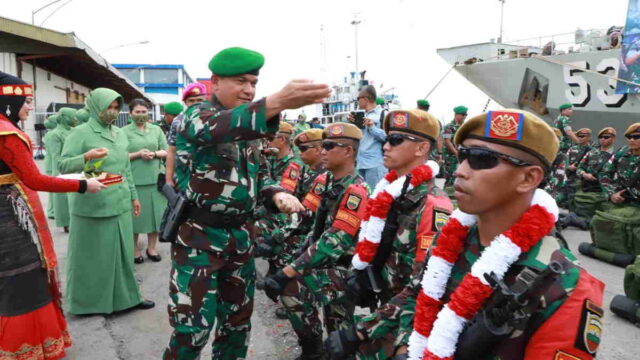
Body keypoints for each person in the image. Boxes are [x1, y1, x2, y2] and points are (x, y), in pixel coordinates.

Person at [164, 46, 330, 360]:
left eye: (254, 82)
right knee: (192, 330)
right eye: (241, 81)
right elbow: (221, 126)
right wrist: (278, 100)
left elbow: (257, 176)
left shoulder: (248, 131)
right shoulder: (195, 116)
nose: (249, 89)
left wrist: (275, 194)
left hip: (239, 239)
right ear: (214, 82)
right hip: (198, 239)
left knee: (237, 325)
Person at [408, 109, 604, 360]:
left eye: (481, 159)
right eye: (463, 156)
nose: (461, 170)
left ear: (528, 178)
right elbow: (415, 298)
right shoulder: (453, 238)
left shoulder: (566, 288)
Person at [324, 109, 453, 360]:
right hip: (386, 307)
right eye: (387, 139)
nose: (386, 146)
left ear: (421, 148)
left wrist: (363, 332)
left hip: (406, 324)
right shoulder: (393, 194)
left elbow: (426, 289)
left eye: (395, 141)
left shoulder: (432, 206)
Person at [0, 71, 105, 360]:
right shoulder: (7, 132)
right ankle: (22, 349)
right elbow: (34, 179)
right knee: (22, 279)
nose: (29, 107)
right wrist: (83, 184)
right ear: (8, 100)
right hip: (9, 218)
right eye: (25, 101)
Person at [263, 122, 369, 360]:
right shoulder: (331, 182)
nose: (323, 151)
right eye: (323, 145)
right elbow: (315, 227)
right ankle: (319, 350)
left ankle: (314, 352)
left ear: (348, 151)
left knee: (293, 288)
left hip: (346, 268)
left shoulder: (355, 190)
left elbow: (334, 241)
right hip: (329, 264)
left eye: (330, 146)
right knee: (337, 329)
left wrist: (287, 272)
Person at [59, 88, 155, 315]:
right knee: (95, 256)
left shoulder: (119, 134)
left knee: (123, 254)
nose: (112, 112)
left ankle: (129, 298)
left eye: (115, 108)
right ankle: (89, 303)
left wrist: (134, 196)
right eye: (107, 107)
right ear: (94, 107)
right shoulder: (80, 133)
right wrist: (86, 157)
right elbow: (62, 165)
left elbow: (125, 168)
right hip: (93, 204)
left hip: (119, 201)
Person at [581, 123, 640, 268]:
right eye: (629, 137)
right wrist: (611, 193)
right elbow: (605, 173)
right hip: (619, 201)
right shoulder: (622, 152)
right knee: (601, 220)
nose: (632, 140)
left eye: (636, 137)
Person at [123, 98, 168, 263]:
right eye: (137, 112)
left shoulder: (156, 130)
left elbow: (167, 151)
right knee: (136, 218)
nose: (141, 115)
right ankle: (135, 250)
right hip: (134, 181)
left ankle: (152, 248)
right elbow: (119, 156)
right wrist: (137, 155)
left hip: (155, 181)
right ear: (130, 113)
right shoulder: (123, 132)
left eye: (144, 112)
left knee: (155, 218)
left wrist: (155, 154)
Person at [165, 83, 207, 187]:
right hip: (185, 176)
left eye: (199, 100)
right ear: (185, 102)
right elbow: (171, 151)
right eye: (191, 101)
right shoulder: (178, 121)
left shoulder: (215, 118)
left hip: (209, 175)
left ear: (206, 100)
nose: (195, 104)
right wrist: (168, 179)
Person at [573, 127, 616, 222]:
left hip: (602, 193)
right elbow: (579, 168)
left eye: (606, 137)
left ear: (613, 138)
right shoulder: (591, 153)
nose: (603, 139)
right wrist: (584, 174)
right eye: (600, 137)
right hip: (586, 189)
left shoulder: (616, 156)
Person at [49, 107, 78, 233]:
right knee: (63, 200)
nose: (75, 119)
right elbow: (56, 157)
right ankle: (66, 223)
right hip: (63, 170)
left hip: (76, 167)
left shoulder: (76, 131)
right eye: (73, 116)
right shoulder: (54, 135)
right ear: (65, 117)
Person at [351, 85, 387, 188]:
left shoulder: (383, 114)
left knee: (375, 196)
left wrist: (372, 127)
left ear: (365, 99)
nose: (357, 101)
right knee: (362, 197)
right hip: (360, 163)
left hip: (375, 164)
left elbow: (388, 138)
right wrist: (352, 123)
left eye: (358, 98)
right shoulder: (362, 115)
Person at [441, 105, 467, 194]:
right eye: (463, 114)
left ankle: (454, 194)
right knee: (449, 176)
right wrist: (456, 153)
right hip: (450, 156)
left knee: (459, 176)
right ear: (456, 114)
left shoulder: (465, 127)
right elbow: (447, 141)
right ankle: (446, 195)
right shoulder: (448, 127)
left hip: (462, 155)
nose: (464, 117)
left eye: (465, 115)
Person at [43, 114, 58, 219]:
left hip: (49, 162)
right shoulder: (52, 134)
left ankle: (52, 210)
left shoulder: (48, 134)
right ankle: (52, 211)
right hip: (51, 164)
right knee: (53, 190)